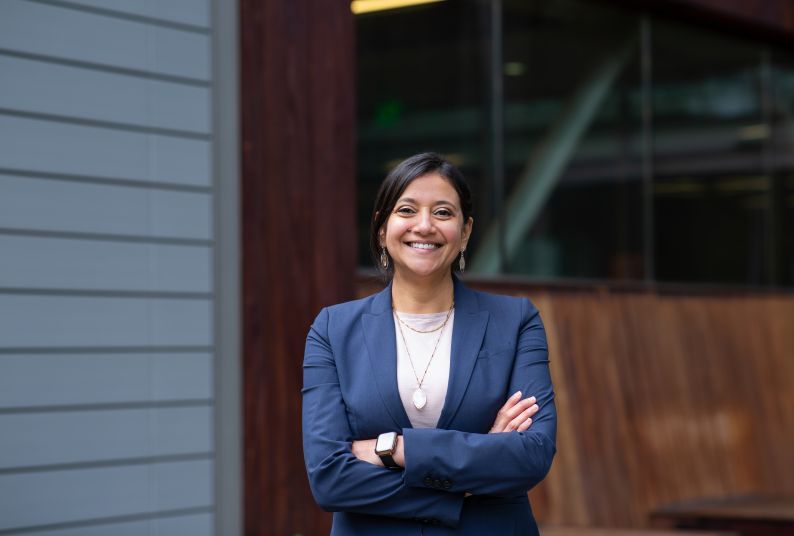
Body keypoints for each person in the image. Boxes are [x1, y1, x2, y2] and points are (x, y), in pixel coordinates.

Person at [302, 152, 556, 535]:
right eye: (407, 210)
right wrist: (472, 471)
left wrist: (394, 449)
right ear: (382, 229)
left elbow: (532, 454)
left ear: (465, 231)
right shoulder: (333, 329)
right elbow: (329, 478)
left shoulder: (516, 321)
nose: (424, 226)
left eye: (442, 212)